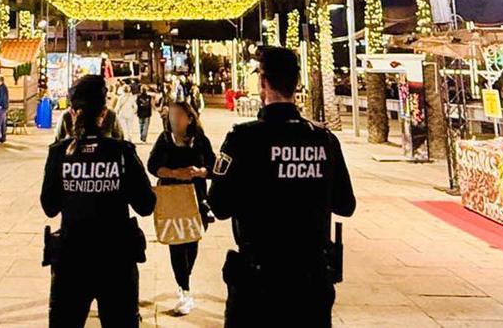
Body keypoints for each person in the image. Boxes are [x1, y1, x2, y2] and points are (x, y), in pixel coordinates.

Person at [208, 46, 356, 328]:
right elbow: (345, 205)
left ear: (263, 83)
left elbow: (219, 205)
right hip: (310, 277)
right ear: (297, 83)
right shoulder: (323, 140)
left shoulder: (243, 139)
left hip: (259, 280)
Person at [40, 75, 156, 327]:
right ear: (105, 112)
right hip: (116, 261)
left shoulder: (60, 153)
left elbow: (49, 206)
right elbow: (146, 205)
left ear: (72, 112)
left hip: (72, 260)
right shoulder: (122, 152)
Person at [147, 99, 215, 316]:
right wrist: (175, 173)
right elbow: (152, 166)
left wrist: (200, 172)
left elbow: (213, 166)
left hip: (197, 198)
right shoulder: (165, 140)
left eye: (178, 116)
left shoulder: (200, 140)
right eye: (171, 116)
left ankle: (184, 282)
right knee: (177, 244)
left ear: (189, 118)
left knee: (193, 241)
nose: (174, 120)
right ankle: (184, 289)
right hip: (172, 198)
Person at [55, 86, 125, 141]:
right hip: (104, 156)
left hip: (74, 157)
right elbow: (119, 137)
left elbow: (58, 139)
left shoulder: (67, 115)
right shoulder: (109, 114)